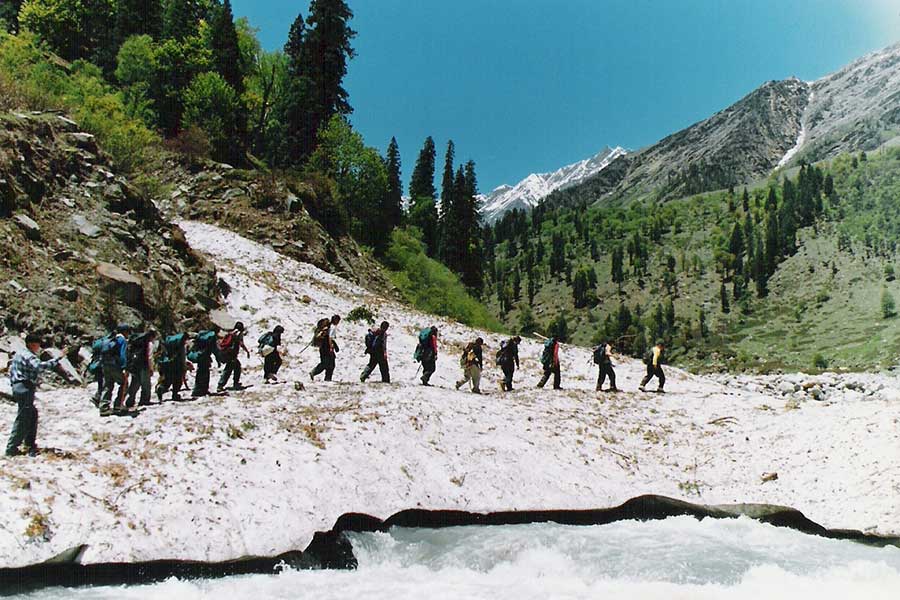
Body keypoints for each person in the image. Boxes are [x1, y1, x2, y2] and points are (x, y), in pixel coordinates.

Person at [6, 333, 64, 457]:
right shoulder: (28, 355)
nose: (39, 347)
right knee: (23, 418)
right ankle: (11, 448)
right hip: (24, 387)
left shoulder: (19, 353)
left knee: (32, 414)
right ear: (32, 344)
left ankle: (29, 444)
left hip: (19, 387)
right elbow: (39, 366)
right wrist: (57, 359)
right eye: (38, 344)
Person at [99, 324, 131, 417]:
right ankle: (118, 406)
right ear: (125, 332)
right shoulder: (122, 340)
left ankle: (104, 408)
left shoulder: (109, 338)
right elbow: (122, 354)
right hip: (115, 366)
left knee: (107, 385)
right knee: (124, 384)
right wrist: (124, 367)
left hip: (105, 364)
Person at [156, 332, 193, 402]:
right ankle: (175, 395)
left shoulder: (170, 344)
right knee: (177, 381)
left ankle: (161, 388)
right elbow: (182, 357)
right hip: (177, 365)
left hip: (168, 363)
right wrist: (184, 366)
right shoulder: (180, 346)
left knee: (168, 380)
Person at [125, 329, 157, 408]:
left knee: (135, 382)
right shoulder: (149, 343)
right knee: (146, 384)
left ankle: (130, 400)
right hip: (144, 365)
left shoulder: (137, 342)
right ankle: (144, 400)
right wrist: (151, 368)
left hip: (135, 365)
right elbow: (150, 357)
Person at [217, 322, 250, 392]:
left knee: (237, 366)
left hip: (227, 354)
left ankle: (235, 382)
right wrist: (247, 351)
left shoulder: (231, 333)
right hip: (231, 355)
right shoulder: (238, 334)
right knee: (228, 370)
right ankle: (220, 385)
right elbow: (241, 343)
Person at [310, 316, 340, 382]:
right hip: (327, 348)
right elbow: (330, 338)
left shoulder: (328, 327)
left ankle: (325, 378)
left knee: (327, 363)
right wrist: (331, 347)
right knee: (329, 364)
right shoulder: (332, 327)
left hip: (323, 347)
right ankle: (323, 377)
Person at [188, 330, 218, 398]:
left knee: (200, 373)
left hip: (200, 356)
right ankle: (201, 391)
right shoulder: (211, 339)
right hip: (205, 357)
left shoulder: (201, 337)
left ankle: (198, 390)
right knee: (205, 374)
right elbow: (215, 350)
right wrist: (218, 359)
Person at [87, 331, 111, 407]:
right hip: (102, 365)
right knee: (105, 383)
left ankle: (97, 397)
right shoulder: (105, 343)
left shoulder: (96, 344)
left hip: (96, 364)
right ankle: (99, 399)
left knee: (100, 383)